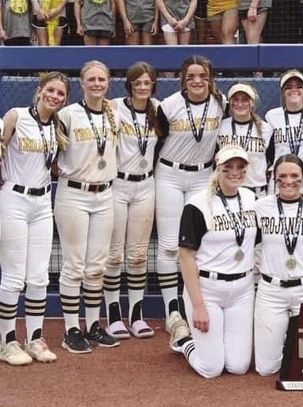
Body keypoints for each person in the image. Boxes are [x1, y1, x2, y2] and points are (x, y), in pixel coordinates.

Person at [156, 55, 225, 352]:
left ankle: (193, 303)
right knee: (170, 245)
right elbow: (156, 141)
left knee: (199, 245)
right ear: (183, 79)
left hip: (203, 177)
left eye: (203, 76)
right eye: (191, 76)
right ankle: (173, 311)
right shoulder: (168, 105)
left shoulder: (220, 104)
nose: (197, 81)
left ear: (210, 78)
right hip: (170, 174)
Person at [0, 72, 69, 365]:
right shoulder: (16, 116)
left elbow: (48, 164)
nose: (54, 96)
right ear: (39, 90)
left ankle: (35, 339)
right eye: (50, 90)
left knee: (39, 275)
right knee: (14, 275)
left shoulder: (57, 126)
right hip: (13, 197)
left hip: (42, 201)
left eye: (61, 94)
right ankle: (7, 342)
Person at [177, 145, 258, 378]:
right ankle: (184, 340)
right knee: (211, 369)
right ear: (217, 169)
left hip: (242, 291)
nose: (235, 172)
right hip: (208, 291)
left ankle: (211, 342)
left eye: (240, 167)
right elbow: (186, 256)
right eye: (228, 167)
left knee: (238, 367)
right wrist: (198, 305)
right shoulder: (198, 203)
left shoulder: (252, 199)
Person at [55, 60, 119, 353]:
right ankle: (70, 329)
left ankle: (93, 325)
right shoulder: (67, 114)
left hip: (105, 193)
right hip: (75, 193)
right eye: (91, 79)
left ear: (108, 83)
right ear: (81, 83)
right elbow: (50, 150)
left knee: (97, 265)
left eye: (101, 79)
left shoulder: (114, 113)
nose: (97, 84)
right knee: (74, 266)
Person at [254, 154, 303, 376]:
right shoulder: (260, 207)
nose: (289, 180)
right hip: (271, 291)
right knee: (266, 369)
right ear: (273, 178)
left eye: (295, 175)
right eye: (282, 176)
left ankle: (292, 341)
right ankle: (284, 339)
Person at [103, 62, 160, 340]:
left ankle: (136, 314)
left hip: (146, 184)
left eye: (147, 83)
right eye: (137, 82)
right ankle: (113, 313)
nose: (142, 87)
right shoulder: (114, 107)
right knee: (114, 254)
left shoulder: (158, 109)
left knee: (138, 255)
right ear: (129, 85)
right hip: (118, 184)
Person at [265, 70, 303, 197]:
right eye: (288, 87)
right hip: (281, 180)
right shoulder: (272, 116)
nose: (294, 90)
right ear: (282, 92)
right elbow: (269, 150)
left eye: (299, 86)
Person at [217, 83, 272, 198]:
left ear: (252, 103)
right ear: (230, 103)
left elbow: (271, 160)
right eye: (235, 100)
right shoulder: (220, 127)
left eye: (245, 100)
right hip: (227, 192)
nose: (240, 104)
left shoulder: (266, 129)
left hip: (257, 192)